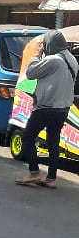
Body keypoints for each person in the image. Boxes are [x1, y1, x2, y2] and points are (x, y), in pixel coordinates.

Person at [16, 30, 78, 189]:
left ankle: (34, 172)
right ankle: (51, 178)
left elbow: (30, 73)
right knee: (53, 142)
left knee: (28, 136)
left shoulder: (53, 60)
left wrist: (37, 54)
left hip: (46, 107)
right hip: (63, 109)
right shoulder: (72, 60)